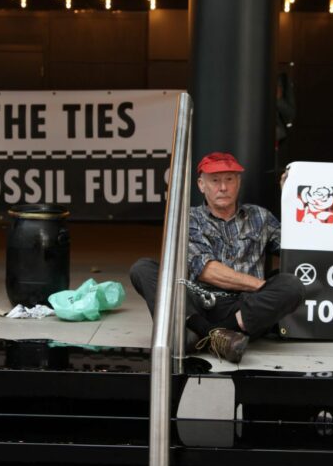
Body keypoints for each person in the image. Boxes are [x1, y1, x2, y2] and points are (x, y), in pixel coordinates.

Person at [130, 152, 305, 364]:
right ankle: (214, 334)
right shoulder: (189, 218)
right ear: (201, 185)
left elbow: (296, 249)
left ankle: (201, 335)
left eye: (229, 179)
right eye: (215, 180)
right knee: (143, 268)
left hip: (244, 308)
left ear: (238, 182)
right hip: (198, 301)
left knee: (292, 285)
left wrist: (292, 200)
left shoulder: (260, 216)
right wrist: (262, 286)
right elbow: (207, 271)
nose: (223, 187)